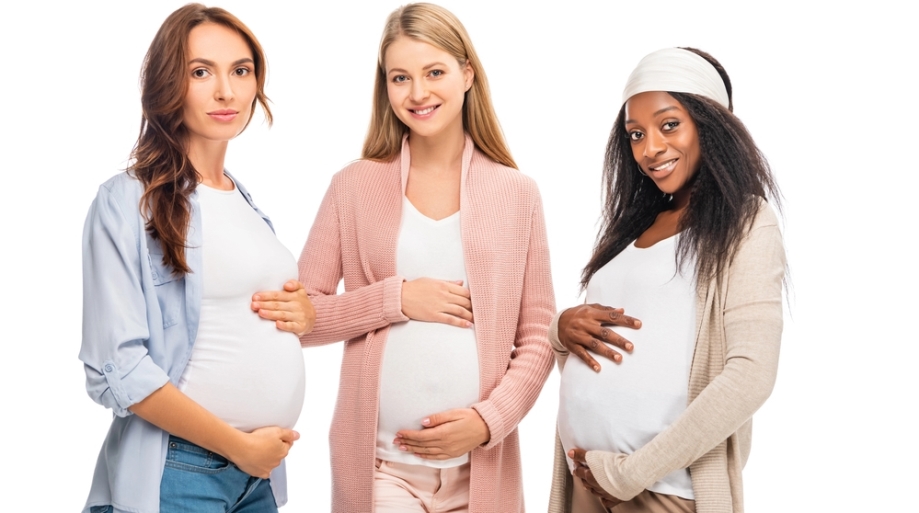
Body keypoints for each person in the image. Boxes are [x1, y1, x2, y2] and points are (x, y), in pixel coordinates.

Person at [297, 3, 555, 512]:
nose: (417, 93)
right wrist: (397, 298)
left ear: (467, 74)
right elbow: (303, 316)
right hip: (381, 468)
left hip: (481, 468)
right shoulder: (353, 186)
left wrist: (488, 421)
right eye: (400, 77)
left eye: (434, 72)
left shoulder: (517, 193)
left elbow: (538, 336)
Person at [79, 4, 315, 513]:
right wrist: (236, 445)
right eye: (201, 72)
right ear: (169, 84)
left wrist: (305, 315)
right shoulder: (127, 200)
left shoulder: (246, 203)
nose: (226, 91)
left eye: (241, 70)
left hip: (260, 477)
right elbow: (117, 368)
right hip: (182, 474)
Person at [548, 47, 785, 513]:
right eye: (635, 134)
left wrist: (631, 472)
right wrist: (562, 332)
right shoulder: (632, 228)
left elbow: (751, 375)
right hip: (588, 479)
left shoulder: (748, 221)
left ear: (711, 125)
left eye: (669, 124)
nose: (649, 148)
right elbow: (600, 356)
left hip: (663, 489)